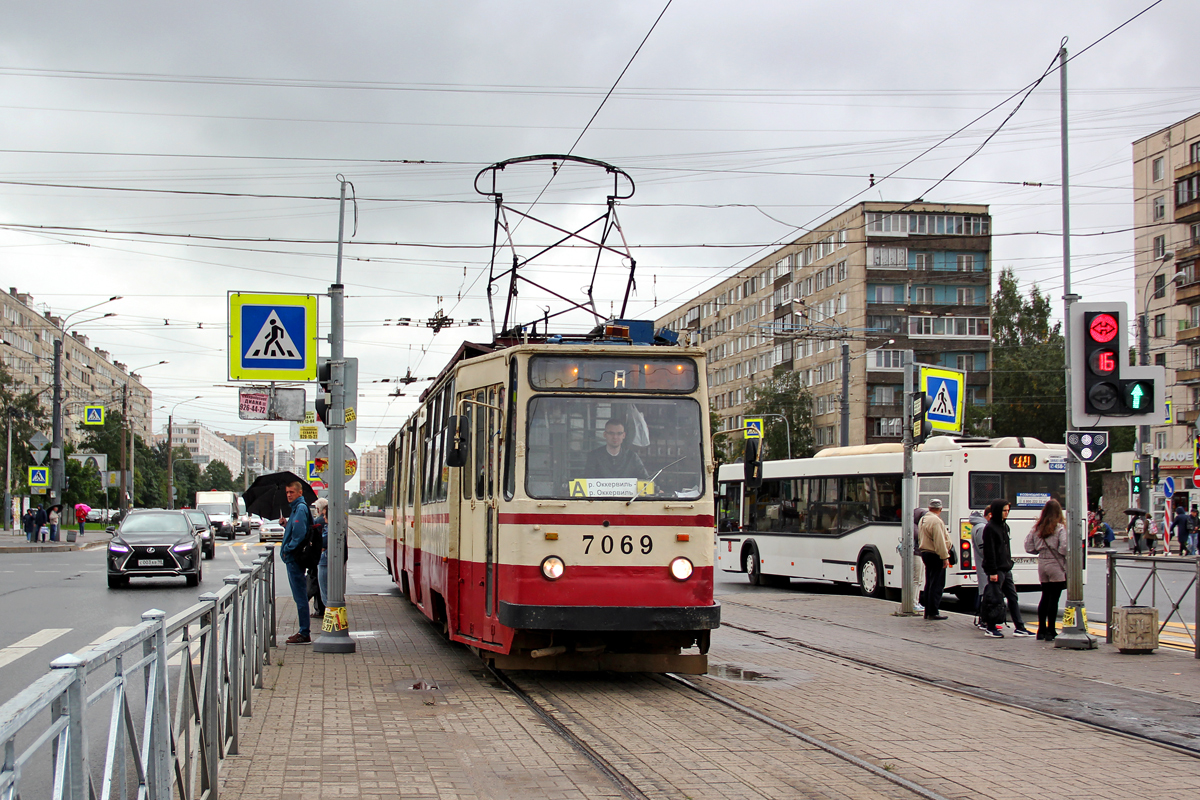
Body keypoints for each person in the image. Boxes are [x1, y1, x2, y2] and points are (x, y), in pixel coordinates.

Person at [981, 498, 1033, 638]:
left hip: (1005, 567)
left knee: (1012, 597)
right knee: (995, 598)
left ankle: (1019, 627)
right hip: (996, 569)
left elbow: (1005, 548)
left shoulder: (1004, 526)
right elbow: (989, 551)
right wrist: (991, 571)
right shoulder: (990, 528)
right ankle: (991, 627)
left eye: (1008, 511)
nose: (1006, 513)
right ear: (998, 511)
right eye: (1004, 511)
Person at [1025, 499, 1069, 641]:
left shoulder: (1037, 528)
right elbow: (1064, 547)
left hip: (1042, 563)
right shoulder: (1060, 528)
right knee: (1054, 599)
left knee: (1045, 596)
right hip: (1056, 564)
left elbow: (1029, 547)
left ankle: (1041, 630)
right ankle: (1051, 630)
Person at [279, 481, 314, 644]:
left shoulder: (299, 509)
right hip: (294, 557)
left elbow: (299, 535)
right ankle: (303, 630)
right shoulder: (296, 509)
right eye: (287, 492)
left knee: (300, 596)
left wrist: (287, 549)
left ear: (300, 493)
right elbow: (295, 530)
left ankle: (304, 632)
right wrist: (286, 525)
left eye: (291, 492)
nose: (288, 495)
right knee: (299, 595)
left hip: (294, 558)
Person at [916, 499, 953, 620]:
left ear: (929, 507)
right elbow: (939, 541)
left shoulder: (923, 519)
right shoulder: (936, 521)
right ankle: (933, 611)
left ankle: (928, 611)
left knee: (930, 582)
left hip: (926, 553)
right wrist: (945, 557)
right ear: (941, 509)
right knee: (937, 584)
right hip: (935, 554)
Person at [582, 419, 648, 479]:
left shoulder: (632, 457)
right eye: (611, 433)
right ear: (605, 435)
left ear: (623, 435)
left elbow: (646, 480)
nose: (615, 437)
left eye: (619, 433)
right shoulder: (594, 456)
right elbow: (587, 481)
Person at [969, 506, 990, 629]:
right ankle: (984, 619)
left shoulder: (976, 526)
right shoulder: (982, 528)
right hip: (984, 566)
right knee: (985, 592)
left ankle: (982, 617)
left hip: (982, 565)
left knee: (983, 591)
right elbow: (983, 549)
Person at [309, 498, 329, 619]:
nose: (324, 518)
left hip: (323, 559)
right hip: (324, 558)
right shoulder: (325, 523)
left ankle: (323, 612)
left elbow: (320, 541)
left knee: (323, 588)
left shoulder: (320, 522)